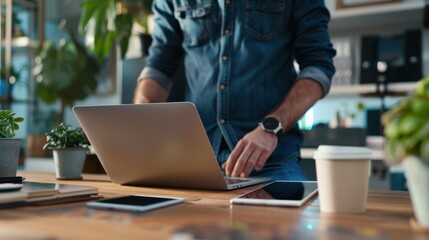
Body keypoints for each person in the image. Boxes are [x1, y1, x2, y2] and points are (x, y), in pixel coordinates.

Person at [134, 0, 336, 180]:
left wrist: (270, 128)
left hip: (271, 162)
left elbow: (317, 67)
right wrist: (137, 118)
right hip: (193, 162)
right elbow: (159, 65)